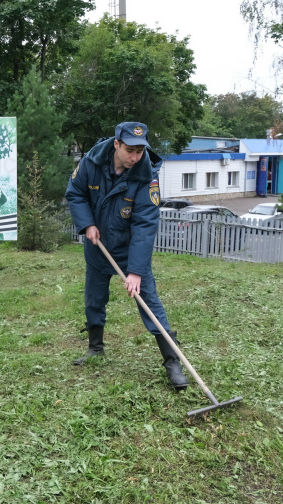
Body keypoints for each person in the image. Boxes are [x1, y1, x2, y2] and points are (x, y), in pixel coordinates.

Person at [65, 121, 188, 390]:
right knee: (94, 299)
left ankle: (172, 362)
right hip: (98, 248)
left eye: (140, 152)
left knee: (150, 303)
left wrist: (135, 271)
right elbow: (75, 193)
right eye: (130, 151)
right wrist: (87, 224)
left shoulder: (146, 176)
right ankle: (95, 349)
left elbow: (145, 224)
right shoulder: (91, 162)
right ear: (116, 145)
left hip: (131, 251)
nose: (135, 157)